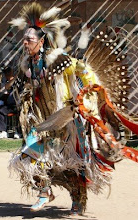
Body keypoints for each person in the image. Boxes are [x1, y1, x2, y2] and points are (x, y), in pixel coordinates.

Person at [9, 2, 138, 216]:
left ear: (41, 41)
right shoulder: (27, 66)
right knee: (27, 154)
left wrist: (85, 98)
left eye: (29, 40)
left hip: (68, 118)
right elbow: (25, 90)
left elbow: (85, 71)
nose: (24, 43)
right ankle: (44, 191)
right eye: (24, 39)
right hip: (44, 121)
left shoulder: (61, 60)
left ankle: (78, 201)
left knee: (73, 163)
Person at [0, 67, 19, 139]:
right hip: (9, 105)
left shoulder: (18, 81)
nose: (7, 74)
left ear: (11, 72)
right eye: (5, 73)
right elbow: (7, 87)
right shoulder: (6, 82)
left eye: (8, 72)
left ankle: (18, 131)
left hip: (18, 105)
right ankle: (2, 131)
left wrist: (15, 77)